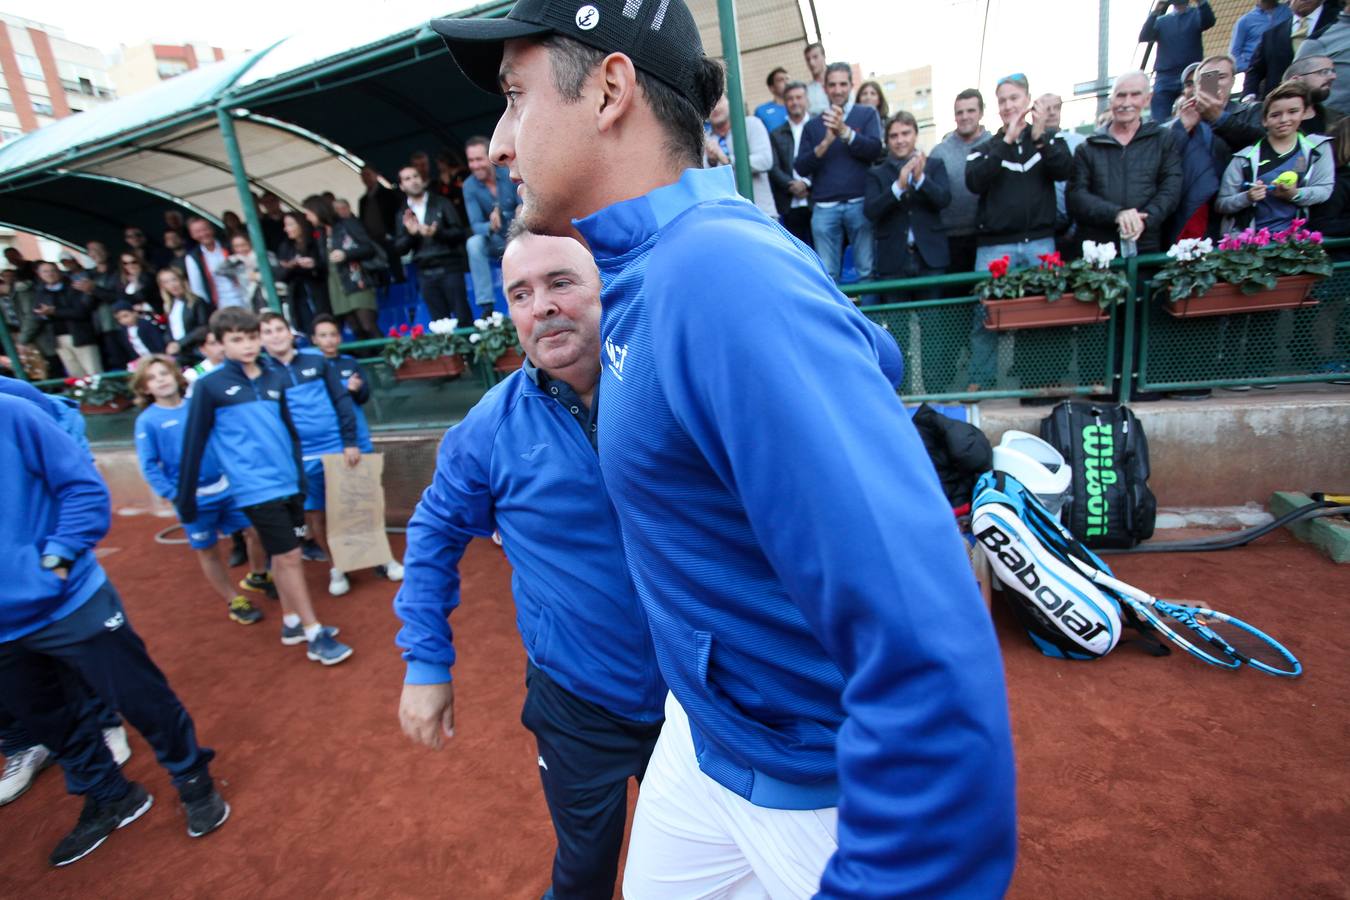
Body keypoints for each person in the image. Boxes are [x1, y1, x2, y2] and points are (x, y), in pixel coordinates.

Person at [432, 4, 1016, 896]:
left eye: (516, 99)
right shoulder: (652, 269)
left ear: (611, 91)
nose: (501, 142)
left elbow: (929, 649)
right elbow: (869, 353)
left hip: (805, 784)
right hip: (703, 742)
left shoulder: (714, 272)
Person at [395, 229, 665, 898]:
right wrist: (426, 661)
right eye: (521, 293)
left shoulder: (666, 382)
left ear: (604, 287)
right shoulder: (490, 427)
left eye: (560, 283)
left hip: (694, 692)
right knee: (584, 873)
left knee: (700, 866)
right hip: (575, 701)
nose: (541, 305)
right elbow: (432, 530)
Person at [0, 392, 229, 865]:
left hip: (69, 600)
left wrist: (58, 559)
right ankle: (110, 795)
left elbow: (81, 487)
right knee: (51, 721)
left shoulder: (12, 412)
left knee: (138, 695)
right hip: (5, 634)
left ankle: (192, 779)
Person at [177, 307, 353, 665]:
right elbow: (193, 443)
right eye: (236, 340)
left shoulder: (274, 378)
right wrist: (185, 498)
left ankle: (291, 622)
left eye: (251, 337)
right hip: (255, 488)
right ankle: (314, 632)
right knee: (289, 556)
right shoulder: (209, 386)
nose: (247, 345)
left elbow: (290, 433)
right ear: (220, 343)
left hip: (288, 482)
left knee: (281, 553)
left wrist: (300, 481)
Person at [258, 310, 394, 595]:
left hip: (337, 448)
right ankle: (338, 567)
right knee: (316, 515)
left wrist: (349, 441)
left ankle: (382, 558)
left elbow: (343, 401)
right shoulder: (261, 373)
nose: (275, 335)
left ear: (289, 332)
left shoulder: (317, 361)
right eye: (267, 331)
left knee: (360, 504)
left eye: (279, 329)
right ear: (260, 338)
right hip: (300, 458)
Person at [131, 355, 266, 626]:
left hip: (228, 488)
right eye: (153, 377)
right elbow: (148, 465)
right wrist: (175, 495)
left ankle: (259, 575)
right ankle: (233, 599)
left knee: (256, 530)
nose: (161, 380)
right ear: (145, 388)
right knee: (208, 549)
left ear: (176, 376)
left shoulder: (198, 406)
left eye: (164, 373)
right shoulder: (147, 421)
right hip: (193, 498)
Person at [965, 74, 1073, 388]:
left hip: (1040, 241)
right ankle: (980, 380)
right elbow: (974, 181)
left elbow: (1064, 169)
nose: (1009, 105)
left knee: (1042, 312)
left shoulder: (1050, 139)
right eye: (1003, 100)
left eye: (1014, 98)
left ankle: (1039, 379)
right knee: (985, 313)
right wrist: (1006, 141)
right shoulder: (986, 146)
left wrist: (1040, 137)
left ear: (1027, 100)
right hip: (996, 246)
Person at [1069, 71, 1184, 254]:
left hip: (1147, 244)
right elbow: (1077, 196)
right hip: (1098, 249)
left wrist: (1145, 220)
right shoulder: (1088, 147)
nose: (1126, 102)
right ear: (1111, 100)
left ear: (1147, 99)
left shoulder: (1162, 140)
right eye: (1120, 95)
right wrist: (1117, 214)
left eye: (1135, 94)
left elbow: (1171, 188)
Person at [795, 62, 884, 290]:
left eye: (843, 84)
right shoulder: (813, 126)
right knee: (828, 277)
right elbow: (801, 166)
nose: (837, 90)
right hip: (824, 207)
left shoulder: (866, 114)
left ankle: (868, 324)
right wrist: (824, 144)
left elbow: (876, 150)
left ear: (851, 86)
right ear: (825, 88)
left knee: (867, 272)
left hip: (860, 203)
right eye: (832, 85)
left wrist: (846, 133)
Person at [1216, 80, 1335, 232]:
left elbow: (1324, 190)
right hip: (1250, 244)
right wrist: (1247, 197)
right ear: (1265, 120)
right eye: (1275, 115)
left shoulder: (1319, 148)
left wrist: (1295, 194)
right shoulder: (1243, 158)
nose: (1284, 120)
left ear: (1304, 113)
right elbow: (1222, 204)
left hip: (1299, 242)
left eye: (1293, 112)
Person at [863, 111, 951, 301]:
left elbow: (943, 200)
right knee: (899, 326)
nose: (900, 140)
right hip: (893, 259)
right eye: (894, 136)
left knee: (934, 323)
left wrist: (920, 179)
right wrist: (898, 188)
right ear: (887, 140)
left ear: (915, 135)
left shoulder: (934, 165)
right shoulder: (876, 173)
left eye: (905, 133)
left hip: (930, 257)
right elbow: (871, 210)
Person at [393, 165, 472, 324]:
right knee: (440, 324)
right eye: (407, 179)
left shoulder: (442, 202)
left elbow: (459, 233)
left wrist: (437, 233)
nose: (413, 181)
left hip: (450, 267)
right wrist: (412, 234)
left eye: (415, 176)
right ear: (401, 186)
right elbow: (400, 248)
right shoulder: (402, 213)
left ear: (422, 179)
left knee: (463, 316)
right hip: (425, 272)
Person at [929, 88, 992, 274]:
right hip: (949, 238)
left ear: (981, 113)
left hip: (986, 236)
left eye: (970, 111)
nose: (965, 116)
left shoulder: (995, 144)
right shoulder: (939, 151)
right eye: (959, 112)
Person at [303, 195, 381, 341]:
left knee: (368, 325)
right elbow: (324, 262)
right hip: (336, 286)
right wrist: (313, 264)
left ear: (317, 211)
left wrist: (346, 254)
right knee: (356, 329)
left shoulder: (346, 224)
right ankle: (368, 361)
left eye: (308, 213)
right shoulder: (320, 234)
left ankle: (390, 359)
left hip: (357, 281)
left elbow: (369, 248)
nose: (307, 218)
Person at [463, 136, 520, 311]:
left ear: (489, 157)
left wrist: (521, 210)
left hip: (521, 234)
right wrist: (490, 226)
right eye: (471, 161)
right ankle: (486, 306)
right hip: (496, 239)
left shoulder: (508, 172)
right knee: (474, 243)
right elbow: (475, 225)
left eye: (478, 159)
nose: (474, 165)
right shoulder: (468, 186)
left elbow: (525, 201)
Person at [1245, 0, 1342, 99]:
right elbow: (1255, 71)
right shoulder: (1271, 35)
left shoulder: (1340, 23)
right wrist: (1248, 98)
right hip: (1283, 106)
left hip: (1335, 103)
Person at [1141, 1, 1218, 123]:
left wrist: (1201, 2)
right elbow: (1144, 36)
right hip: (1166, 76)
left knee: (1204, 114)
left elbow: (1209, 21)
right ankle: (1163, 140)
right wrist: (1156, 11)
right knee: (1159, 121)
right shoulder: (1161, 21)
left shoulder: (1196, 14)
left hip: (1192, 74)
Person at [706, 94, 777, 217]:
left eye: (718, 101)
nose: (715, 108)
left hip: (761, 213)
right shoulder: (705, 139)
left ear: (730, 102)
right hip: (727, 219)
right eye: (709, 105)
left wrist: (727, 160)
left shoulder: (751, 124)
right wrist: (711, 162)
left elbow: (765, 161)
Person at [1039, 93, 1088, 258]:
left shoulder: (1080, 143)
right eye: (1046, 108)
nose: (1052, 113)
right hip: (1040, 235)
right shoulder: (1028, 145)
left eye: (1056, 108)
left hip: (1075, 229)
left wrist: (1075, 227)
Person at [768, 81, 815, 246]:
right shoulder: (776, 133)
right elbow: (773, 166)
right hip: (789, 204)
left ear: (807, 99)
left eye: (799, 97)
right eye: (790, 98)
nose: (795, 102)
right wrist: (791, 185)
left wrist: (807, 183)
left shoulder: (819, 126)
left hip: (816, 200)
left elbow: (825, 161)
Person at [39, 261, 101, 378]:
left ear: (59, 272)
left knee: (94, 373)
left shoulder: (74, 287)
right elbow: (37, 314)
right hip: (58, 340)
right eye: (45, 271)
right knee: (76, 377)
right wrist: (43, 314)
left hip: (81, 335)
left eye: (52, 271)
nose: (50, 274)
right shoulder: (40, 293)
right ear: (39, 275)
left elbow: (81, 312)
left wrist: (54, 312)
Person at [276, 209, 329, 335]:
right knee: (309, 329)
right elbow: (280, 275)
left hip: (319, 292)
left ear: (301, 224)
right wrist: (291, 266)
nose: (286, 229)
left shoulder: (315, 242)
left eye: (289, 224)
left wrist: (313, 264)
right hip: (299, 296)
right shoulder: (285, 247)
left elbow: (325, 267)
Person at [184, 218, 247, 310]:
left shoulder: (229, 246)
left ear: (212, 229)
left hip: (244, 298)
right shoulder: (193, 257)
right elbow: (197, 289)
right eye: (197, 231)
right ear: (192, 235)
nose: (203, 234)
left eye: (205, 229)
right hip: (221, 305)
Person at [158, 267, 212, 363]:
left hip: (197, 350)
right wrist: (170, 344)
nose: (172, 285)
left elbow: (203, 328)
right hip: (181, 354)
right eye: (166, 282)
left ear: (181, 280)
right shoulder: (169, 306)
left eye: (174, 280)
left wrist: (180, 343)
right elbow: (170, 330)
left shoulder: (196, 301)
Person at [1231, 0, 1295, 73]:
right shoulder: (1245, 21)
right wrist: (1249, 69)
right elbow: (1234, 52)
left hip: (1286, 68)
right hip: (1257, 72)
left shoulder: (1289, 12)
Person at [110, 302, 168, 368]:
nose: (124, 320)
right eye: (119, 319)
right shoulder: (124, 332)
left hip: (156, 356)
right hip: (141, 361)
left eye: (125, 316)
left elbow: (157, 341)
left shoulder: (145, 325)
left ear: (134, 313)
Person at [754, 66, 789, 132]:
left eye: (787, 79)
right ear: (772, 88)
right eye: (781, 80)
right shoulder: (761, 111)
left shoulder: (796, 106)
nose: (786, 82)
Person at [803, 41, 829, 115]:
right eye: (808, 59)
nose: (811, 62)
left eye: (815, 57)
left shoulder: (841, 84)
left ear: (824, 56)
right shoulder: (807, 91)